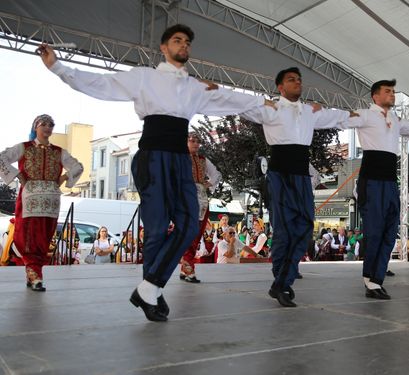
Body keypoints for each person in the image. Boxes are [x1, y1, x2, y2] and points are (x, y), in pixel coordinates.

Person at [37, 24, 272, 321]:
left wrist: (262, 102)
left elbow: (229, 100)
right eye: (177, 40)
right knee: (158, 229)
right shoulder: (145, 77)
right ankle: (153, 294)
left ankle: (149, 286)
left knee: (189, 225)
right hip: (152, 157)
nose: (184, 45)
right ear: (163, 47)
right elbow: (100, 83)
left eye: (187, 41)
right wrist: (57, 67)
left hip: (178, 161)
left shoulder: (194, 86)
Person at [240, 67, 356, 308]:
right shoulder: (270, 107)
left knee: (304, 228)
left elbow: (339, 117)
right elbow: (238, 103)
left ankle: (282, 281)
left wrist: (367, 117)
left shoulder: (309, 111)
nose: (297, 83)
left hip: (302, 176)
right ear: (280, 87)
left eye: (299, 80)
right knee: (284, 229)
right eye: (291, 80)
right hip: (280, 174)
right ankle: (281, 282)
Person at [345, 79, 409, 299]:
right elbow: (337, 118)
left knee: (390, 232)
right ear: (375, 96)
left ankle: (376, 279)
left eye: (393, 91)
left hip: (390, 183)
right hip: (372, 181)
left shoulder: (395, 119)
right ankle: (370, 279)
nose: (392, 94)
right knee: (374, 232)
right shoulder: (365, 115)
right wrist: (306, 111)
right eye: (387, 91)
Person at [0, 114, 83, 291]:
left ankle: (33, 274)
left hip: (51, 201)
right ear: (35, 127)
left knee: (44, 238)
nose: (48, 128)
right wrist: (17, 174)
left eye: (51, 125)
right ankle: (35, 274)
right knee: (28, 237)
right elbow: (2, 158)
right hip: (30, 199)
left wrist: (63, 177)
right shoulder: (24, 147)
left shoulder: (59, 151)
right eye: (43, 124)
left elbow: (78, 167)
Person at [179, 132, 222, 283]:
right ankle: (188, 267)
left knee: (197, 232)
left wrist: (206, 184)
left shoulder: (203, 160)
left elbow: (216, 174)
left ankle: (185, 268)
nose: (196, 144)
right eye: (192, 141)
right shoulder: (180, 158)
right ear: (186, 142)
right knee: (189, 232)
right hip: (186, 198)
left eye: (198, 142)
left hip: (202, 200)